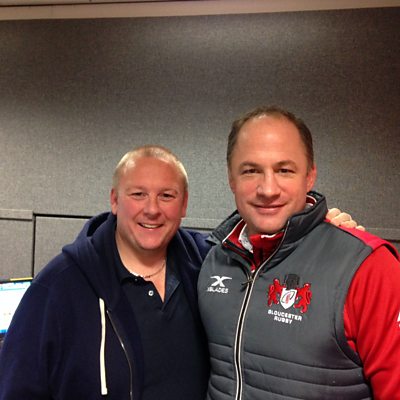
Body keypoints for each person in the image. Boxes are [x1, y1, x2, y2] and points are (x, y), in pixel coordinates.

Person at [0, 145, 361, 400]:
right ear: (114, 200)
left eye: (167, 196)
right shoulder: (58, 286)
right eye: (138, 194)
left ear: (184, 204)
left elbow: (271, 263)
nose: (152, 209)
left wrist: (317, 230)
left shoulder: (210, 264)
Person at [197, 106, 400, 399]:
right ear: (231, 178)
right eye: (251, 170)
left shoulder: (368, 267)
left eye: (284, 170)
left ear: (309, 176)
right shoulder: (214, 260)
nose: (268, 189)